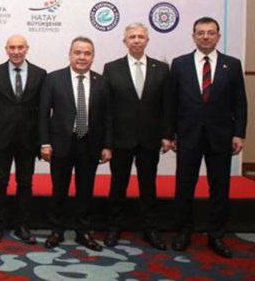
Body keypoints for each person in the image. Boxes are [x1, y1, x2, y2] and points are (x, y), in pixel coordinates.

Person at [169, 17, 247, 258]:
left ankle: (216, 235)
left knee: (219, 187)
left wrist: (239, 133)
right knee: (184, 186)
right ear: (193, 36)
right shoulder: (179, 64)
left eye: (210, 33)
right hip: (188, 136)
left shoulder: (232, 65)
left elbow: (240, 103)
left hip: (221, 136)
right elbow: (171, 103)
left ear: (218, 36)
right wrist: (169, 134)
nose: (205, 37)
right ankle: (183, 231)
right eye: (200, 32)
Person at [102, 23, 171, 250]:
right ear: (125, 41)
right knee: (118, 185)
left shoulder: (162, 69)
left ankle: (151, 228)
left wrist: (167, 134)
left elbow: (167, 106)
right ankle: (114, 226)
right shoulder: (112, 68)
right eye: (132, 37)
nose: (137, 40)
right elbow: (107, 110)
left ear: (147, 40)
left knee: (148, 186)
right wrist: (107, 142)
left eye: (141, 36)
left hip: (150, 139)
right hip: (121, 139)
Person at [39, 36, 111, 251]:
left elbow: (108, 117)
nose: (82, 57)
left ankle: (83, 232)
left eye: (87, 53)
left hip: (90, 143)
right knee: (59, 190)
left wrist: (107, 145)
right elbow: (43, 114)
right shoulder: (53, 78)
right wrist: (44, 142)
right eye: (77, 52)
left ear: (93, 56)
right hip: (61, 143)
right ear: (70, 54)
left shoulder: (102, 81)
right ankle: (56, 230)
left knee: (85, 190)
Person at [0, 35, 46, 245]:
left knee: (25, 183)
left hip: (28, 138)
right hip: (1, 137)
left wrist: (43, 140)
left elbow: (43, 111)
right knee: (0, 181)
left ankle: (22, 225)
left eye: (20, 47)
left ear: (27, 48)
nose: (16, 51)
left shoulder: (40, 73)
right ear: (6, 49)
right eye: (12, 47)